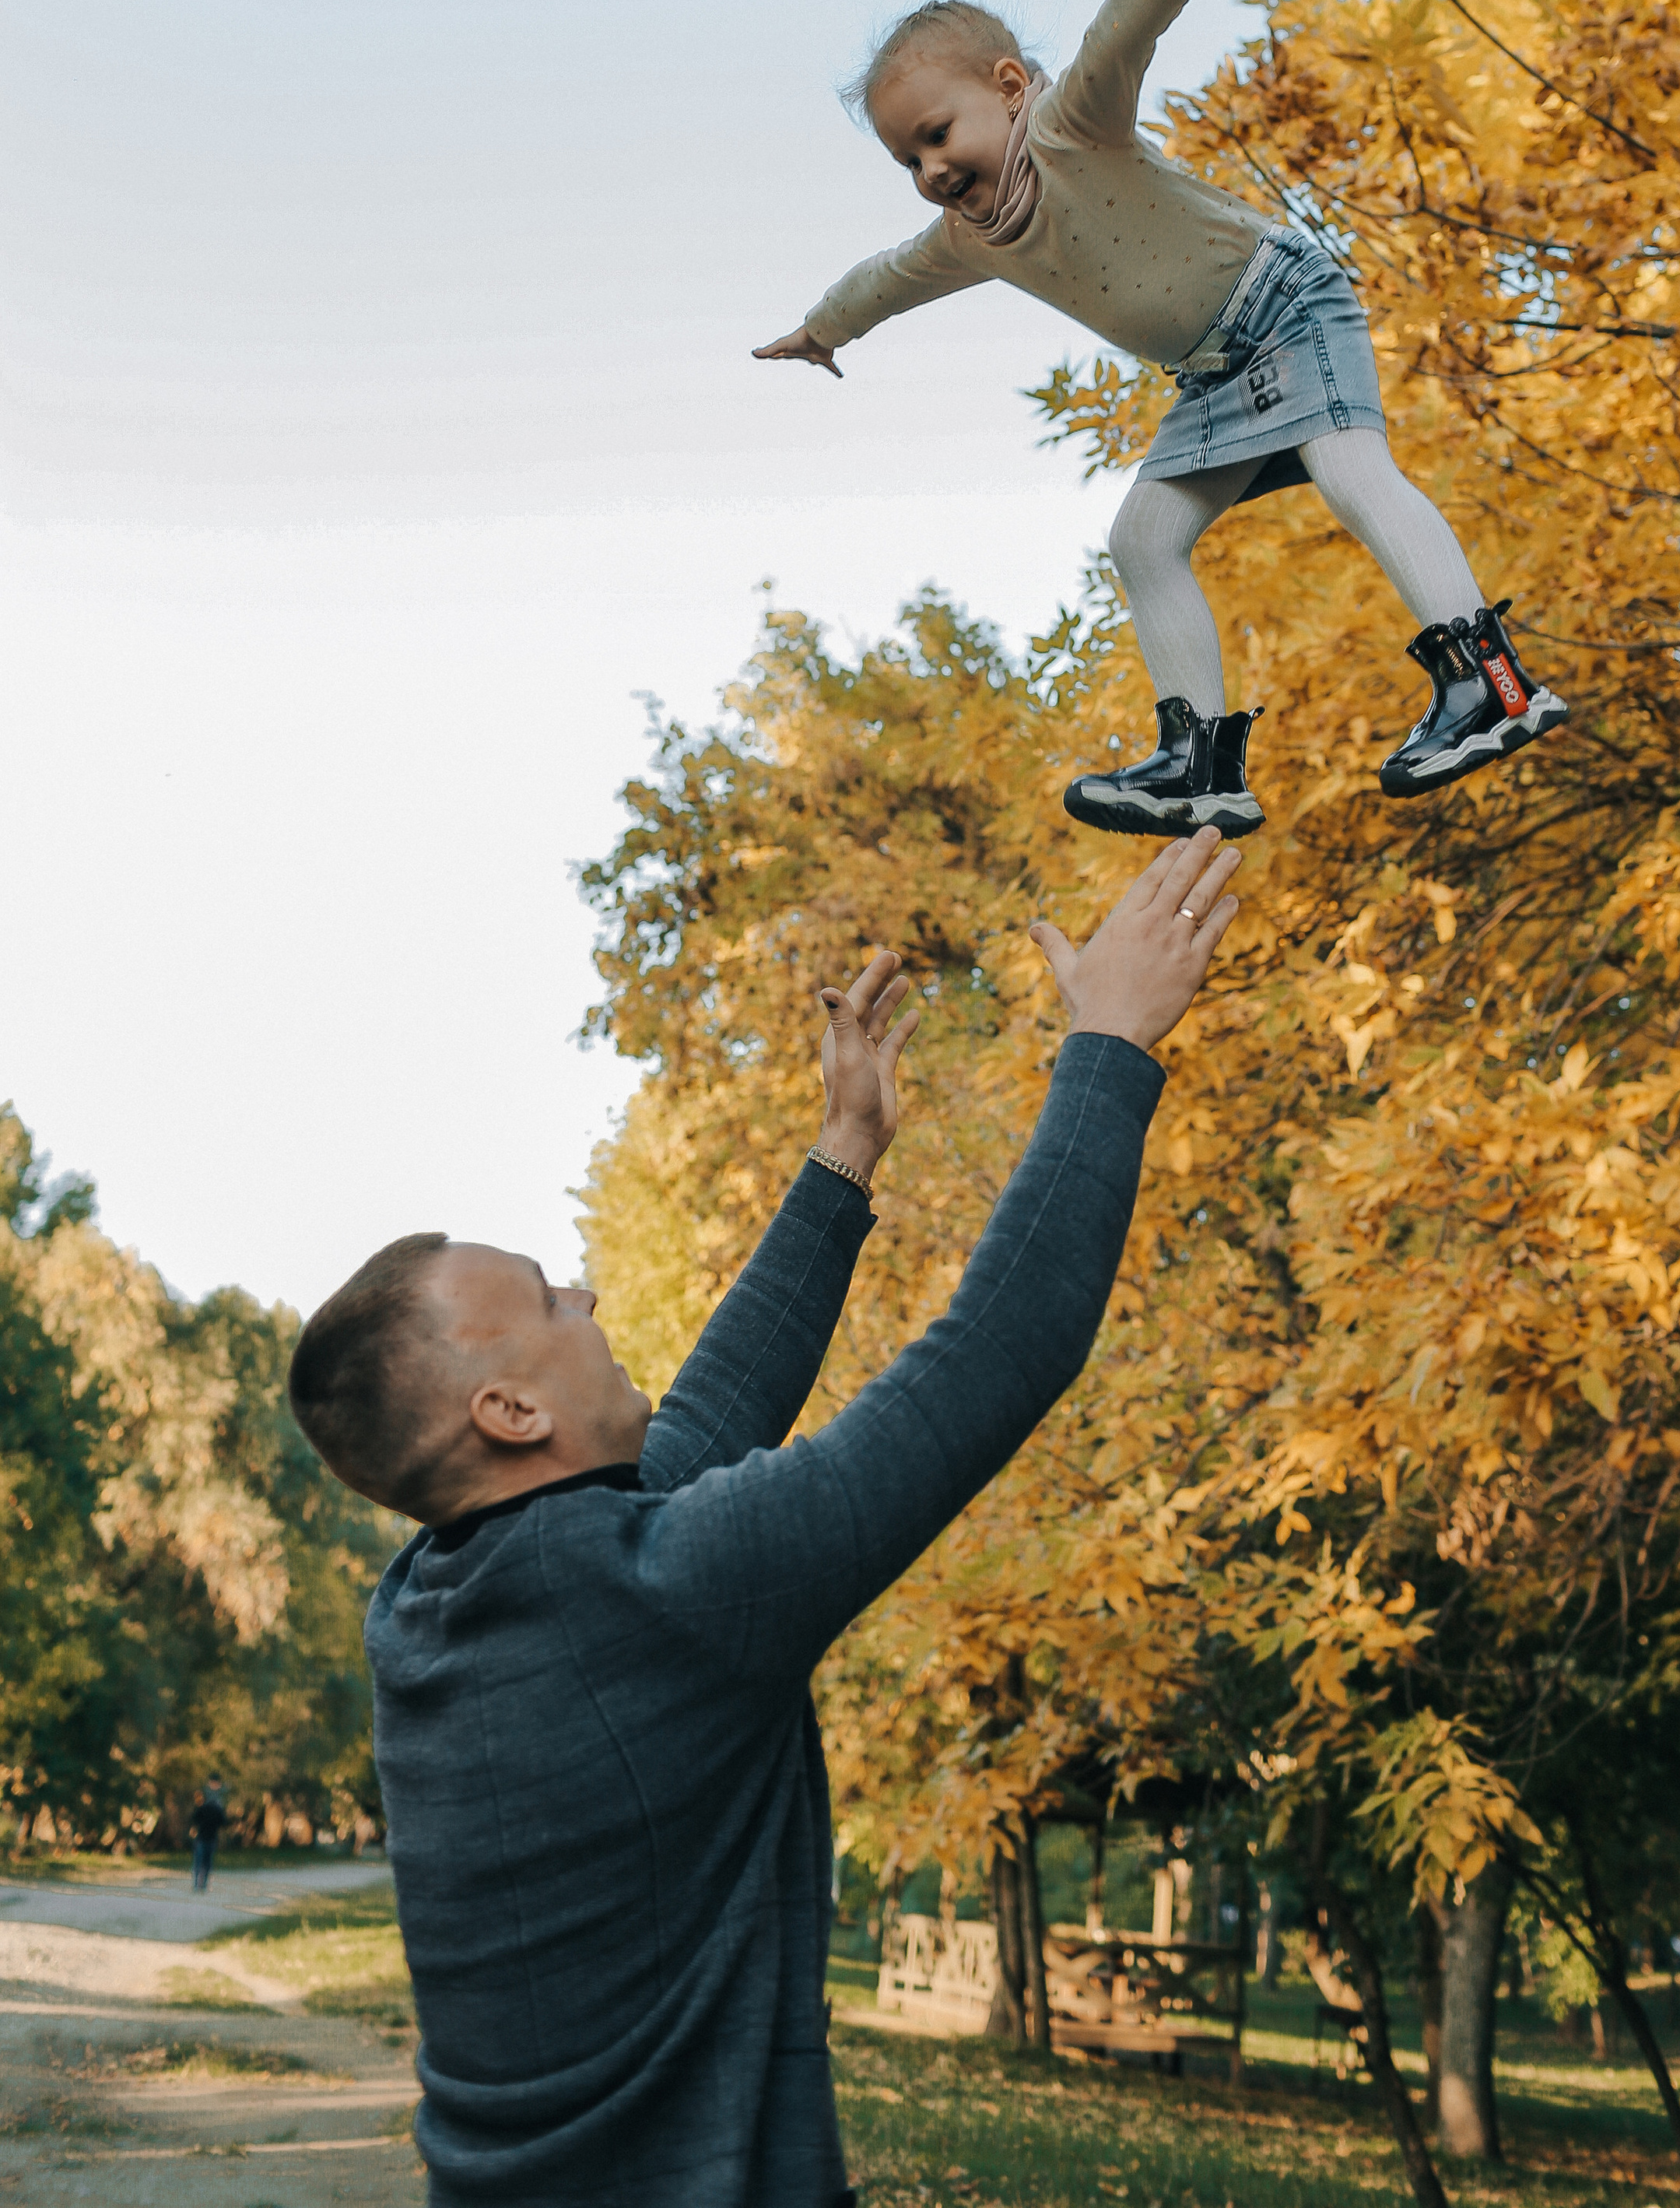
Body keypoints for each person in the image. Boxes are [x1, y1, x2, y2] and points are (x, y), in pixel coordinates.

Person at [286, 829, 1242, 2207]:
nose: (591, 1304)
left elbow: (689, 1443)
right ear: (506, 1415)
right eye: (553, 1300)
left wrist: (845, 1154)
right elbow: (992, 1358)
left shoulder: (442, 1603)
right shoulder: (660, 1596)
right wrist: (1111, 1042)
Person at [755, 0, 1568, 831]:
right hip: (1214, 373)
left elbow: (1123, 26)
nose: (929, 172)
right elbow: (888, 277)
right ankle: (1201, 764)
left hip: (1284, 304)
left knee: (1351, 470)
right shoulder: (970, 237)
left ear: (1010, 90)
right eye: (906, 161)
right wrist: (827, 329)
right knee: (1142, 539)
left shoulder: (1069, 127)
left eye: (935, 135)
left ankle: (1489, 682)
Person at [189, 1779, 225, 1893]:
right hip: (207, 1838)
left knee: (201, 1862)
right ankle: (201, 1884)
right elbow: (223, 1823)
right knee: (204, 1863)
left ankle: (198, 1884)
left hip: (206, 1838)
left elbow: (194, 1819)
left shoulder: (207, 1809)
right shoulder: (213, 1809)